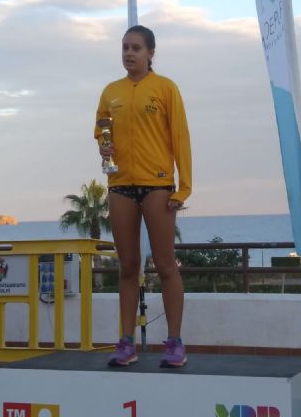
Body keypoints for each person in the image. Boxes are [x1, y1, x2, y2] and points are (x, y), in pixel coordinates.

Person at [95, 25, 192, 368]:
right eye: (125, 47)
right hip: (120, 184)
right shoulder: (111, 92)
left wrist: (184, 187)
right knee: (128, 266)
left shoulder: (165, 88)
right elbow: (101, 132)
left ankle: (175, 342)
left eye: (136, 47)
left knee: (165, 265)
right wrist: (103, 146)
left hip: (158, 184)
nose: (129, 53)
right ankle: (126, 342)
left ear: (151, 52)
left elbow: (180, 137)